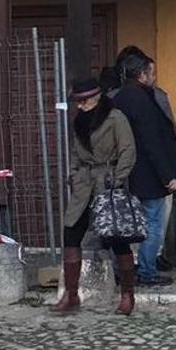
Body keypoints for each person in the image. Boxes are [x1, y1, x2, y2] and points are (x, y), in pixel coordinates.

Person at [55, 78, 139, 316]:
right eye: (77, 102)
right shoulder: (79, 121)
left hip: (108, 181)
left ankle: (127, 295)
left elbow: (128, 150)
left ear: (96, 98)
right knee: (71, 232)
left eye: (84, 101)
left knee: (118, 237)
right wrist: (74, 175)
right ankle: (71, 294)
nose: (80, 105)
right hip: (84, 182)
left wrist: (118, 178)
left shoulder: (116, 118)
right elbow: (75, 152)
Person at [113, 52, 176, 288]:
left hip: (123, 172)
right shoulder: (144, 100)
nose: (154, 78)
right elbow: (152, 141)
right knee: (152, 222)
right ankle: (147, 271)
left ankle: (122, 269)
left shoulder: (118, 98)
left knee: (123, 224)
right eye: (152, 73)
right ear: (142, 75)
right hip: (146, 172)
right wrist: (167, 175)